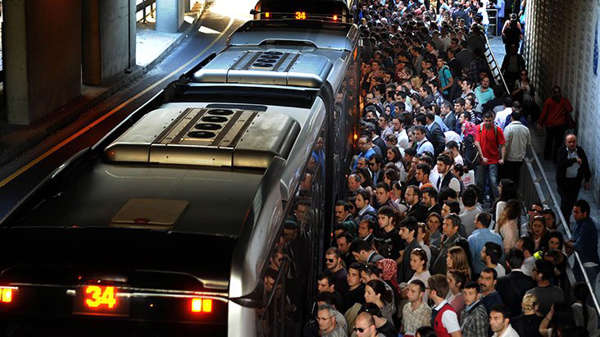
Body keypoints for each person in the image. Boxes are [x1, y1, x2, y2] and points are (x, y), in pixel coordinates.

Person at [555, 134, 592, 219]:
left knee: (572, 202)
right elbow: (561, 164)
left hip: (575, 183)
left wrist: (587, 180)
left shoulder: (580, 151)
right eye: (569, 142)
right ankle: (565, 220)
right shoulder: (562, 151)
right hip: (563, 183)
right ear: (566, 143)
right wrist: (574, 160)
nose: (572, 144)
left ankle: (566, 217)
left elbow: (585, 165)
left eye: (573, 142)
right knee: (565, 202)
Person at [565, 200, 600, 283]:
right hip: (580, 262)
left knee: (587, 292)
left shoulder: (587, 226)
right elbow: (573, 239)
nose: (574, 214)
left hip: (589, 265)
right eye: (573, 212)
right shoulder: (578, 223)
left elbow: (578, 245)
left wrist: (565, 242)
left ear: (584, 213)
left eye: (577, 212)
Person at [474, 111, 505, 203]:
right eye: (486, 120)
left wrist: (502, 158)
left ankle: (495, 201)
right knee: (480, 182)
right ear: (483, 119)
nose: (488, 123)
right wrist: (482, 156)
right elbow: (477, 143)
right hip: (481, 160)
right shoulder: (478, 128)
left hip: (493, 159)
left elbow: (503, 145)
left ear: (493, 120)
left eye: (490, 121)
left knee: (493, 181)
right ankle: (480, 200)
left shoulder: (497, 130)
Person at [496, 248, 536, 317]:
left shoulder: (500, 281)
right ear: (523, 262)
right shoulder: (531, 281)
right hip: (526, 318)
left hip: (507, 317)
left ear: (507, 263)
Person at [538, 85, 573, 162]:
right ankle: (555, 158)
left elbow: (544, 113)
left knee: (549, 141)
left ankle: (547, 156)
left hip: (550, 125)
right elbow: (570, 109)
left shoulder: (549, 101)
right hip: (560, 126)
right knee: (558, 142)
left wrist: (540, 123)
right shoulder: (563, 101)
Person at [502, 111, 530, 184]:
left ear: (511, 117)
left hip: (509, 158)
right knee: (517, 177)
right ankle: (515, 191)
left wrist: (503, 158)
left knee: (508, 178)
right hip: (520, 158)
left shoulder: (508, 128)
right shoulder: (526, 129)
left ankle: (508, 193)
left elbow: (505, 145)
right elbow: (528, 143)